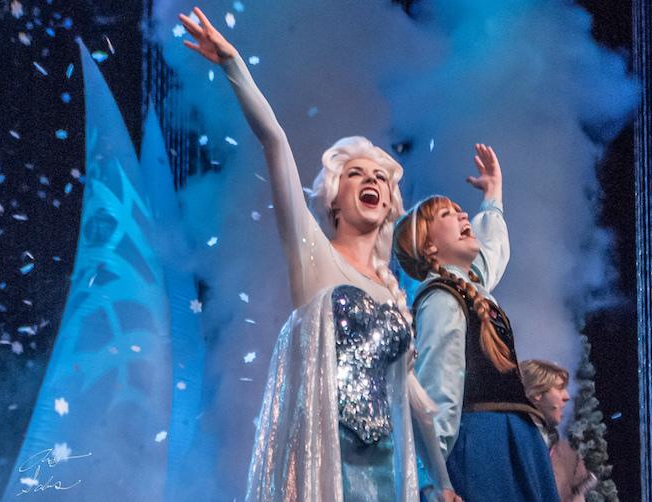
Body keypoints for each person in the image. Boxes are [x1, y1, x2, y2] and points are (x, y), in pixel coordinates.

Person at [178, 7, 459, 502]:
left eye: (380, 177)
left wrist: (445, 483)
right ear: (333, 197)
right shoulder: (313, 255)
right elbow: (276, 142)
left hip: (383, 469)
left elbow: (417, 404)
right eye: (356, 174)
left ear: (389, 203)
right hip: (322, 467)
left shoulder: (392, 293)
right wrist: (233, 65)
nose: (371, 181)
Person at [393, 144, 560, 502]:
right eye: (448, 214)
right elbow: (437, 392)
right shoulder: (441, 298)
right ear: (429, 247)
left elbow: (492, 254)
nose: (462, 214)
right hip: (482, 445)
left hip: (513, 439)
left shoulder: (471, 289)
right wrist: (434, 479)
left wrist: (493, 196)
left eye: (460, 210)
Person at [520, 359, 597, 502]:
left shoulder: (567, 454)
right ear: (537, 393)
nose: (567, 396)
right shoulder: (507, 443)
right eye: (560, 388)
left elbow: (577, 497)